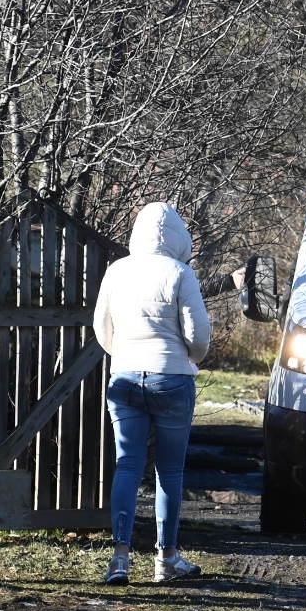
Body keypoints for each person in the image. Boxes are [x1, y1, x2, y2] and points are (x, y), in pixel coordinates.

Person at [92, 202, 212, 585]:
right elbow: (199, 336)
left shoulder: (117, 270)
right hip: (172, 378)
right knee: (170, 470)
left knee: (127, 464)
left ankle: (120, 559)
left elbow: (101, 327)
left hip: (125, 377)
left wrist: (123, 354)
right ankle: (167, 558)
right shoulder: (181, 273)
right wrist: (188, 358)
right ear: (179, 236)